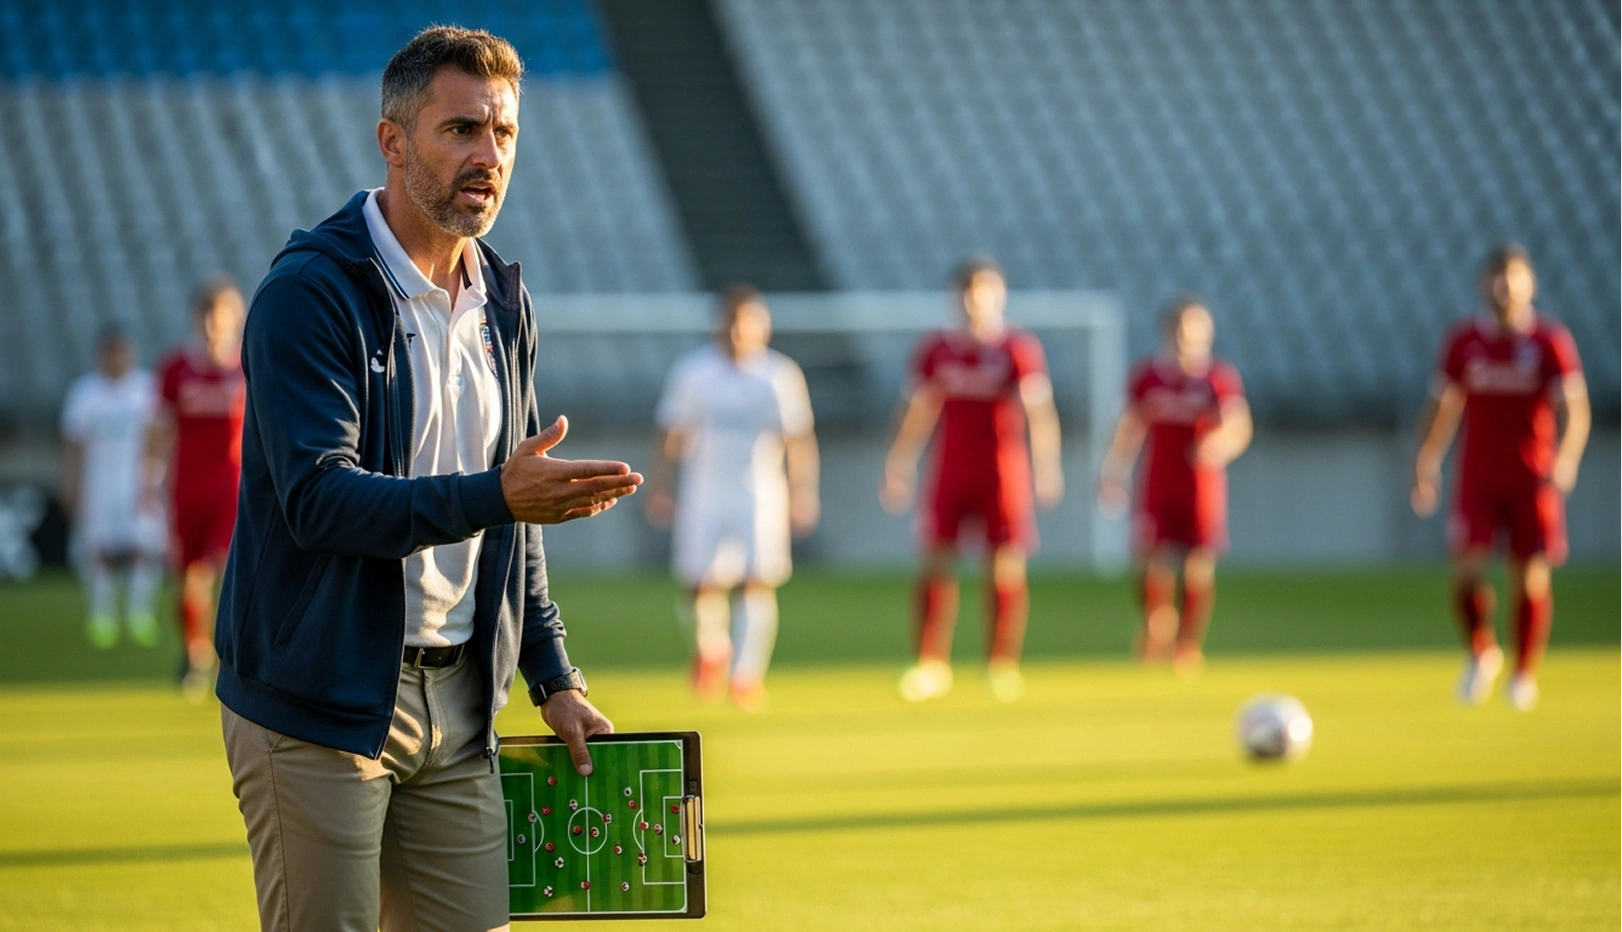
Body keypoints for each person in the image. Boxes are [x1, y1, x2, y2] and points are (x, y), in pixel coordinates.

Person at [213, 27, 642, 932]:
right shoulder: (311, 292)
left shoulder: (504, 297)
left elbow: (512, 521)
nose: (489, 156)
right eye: (460, 131)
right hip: (318, 702)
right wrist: (498, 496)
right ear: (393, 142)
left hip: (462, 704)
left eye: (504, 134)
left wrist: (553, 676)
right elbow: (319, 500)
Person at [1411, 243, 1589, 711]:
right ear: (1483, 283)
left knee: (1529, 579)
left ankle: (1523, 674)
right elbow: (1443, 406)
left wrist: (1566, 459)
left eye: (1513, 275)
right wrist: (1426, 460)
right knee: (1466, 573)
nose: (1504, 285)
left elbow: (1575, 409)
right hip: (1478, 479)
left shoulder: (1550, 341)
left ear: (1530, 283)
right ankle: (1481, 652)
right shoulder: (1464, 341)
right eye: (1496, 275)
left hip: (1533, 480)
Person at [881, 258, 1063, 703]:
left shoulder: (1017, 349)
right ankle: (930, 663)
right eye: (965, 292)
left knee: (1003, 563)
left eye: (982, 291)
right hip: (949, 471)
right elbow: (917, 410)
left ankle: (1000, 664)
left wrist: (1047, 465)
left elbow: (1038, 412)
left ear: (998, 296)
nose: (973, 301)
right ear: (954, 297)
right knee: (935, 561)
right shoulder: (935, 350)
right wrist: (899, 462)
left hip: (1002, 473)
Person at [645, 286, 820, 711]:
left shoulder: (779, 374)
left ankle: (746, 676)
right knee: (696, 583)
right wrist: (661, 484)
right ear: (721, 325)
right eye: (733, 322)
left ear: (763, 326)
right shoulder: (694, 372)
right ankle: (712, 648)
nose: (741, 332)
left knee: (755, 583)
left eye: (749, 322)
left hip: (759, 493)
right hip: (704, 489)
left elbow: (798, 439)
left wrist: (803, 492)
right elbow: (672, 432)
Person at [1097, 296, 1252, 678]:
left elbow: (1239, 427)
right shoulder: (1147, 377)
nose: (1188, 336)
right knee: (1150, 561)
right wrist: (1113, 472)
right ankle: (1155, 621)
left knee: (1198, 566)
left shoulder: (1218, 379)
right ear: (1168, 331)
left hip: (1201, 486)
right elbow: (1128, 428)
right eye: (1181, 328)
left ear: (1207, 333)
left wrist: (1217, 446)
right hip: (1158, 482)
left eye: (1196, 328)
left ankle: (1186, 644)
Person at [146, 278, 246, 697]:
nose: (212, 324)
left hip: (232, 486)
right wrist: (150, 476)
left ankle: (233, 655)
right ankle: (194, 652)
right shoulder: (175, 368)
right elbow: (159, 427)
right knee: (187, 575)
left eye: (220, 315)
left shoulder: (246, 365)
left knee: (231, 570)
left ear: (234, 319)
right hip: (186, 486)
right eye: (206, 315)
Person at [60, 324, 164, 649]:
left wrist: (156, 477)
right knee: (100, 552)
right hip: (99, 486)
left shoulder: (146, 388)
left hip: (138, 483)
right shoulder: (84, 393)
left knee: (142, 550)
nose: (116, 358)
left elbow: (159, 434)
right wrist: (71, 484)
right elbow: (73, 444)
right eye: (110, 351)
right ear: (100, 354)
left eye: (122, 351)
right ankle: (102, 617)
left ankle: (139, 614)